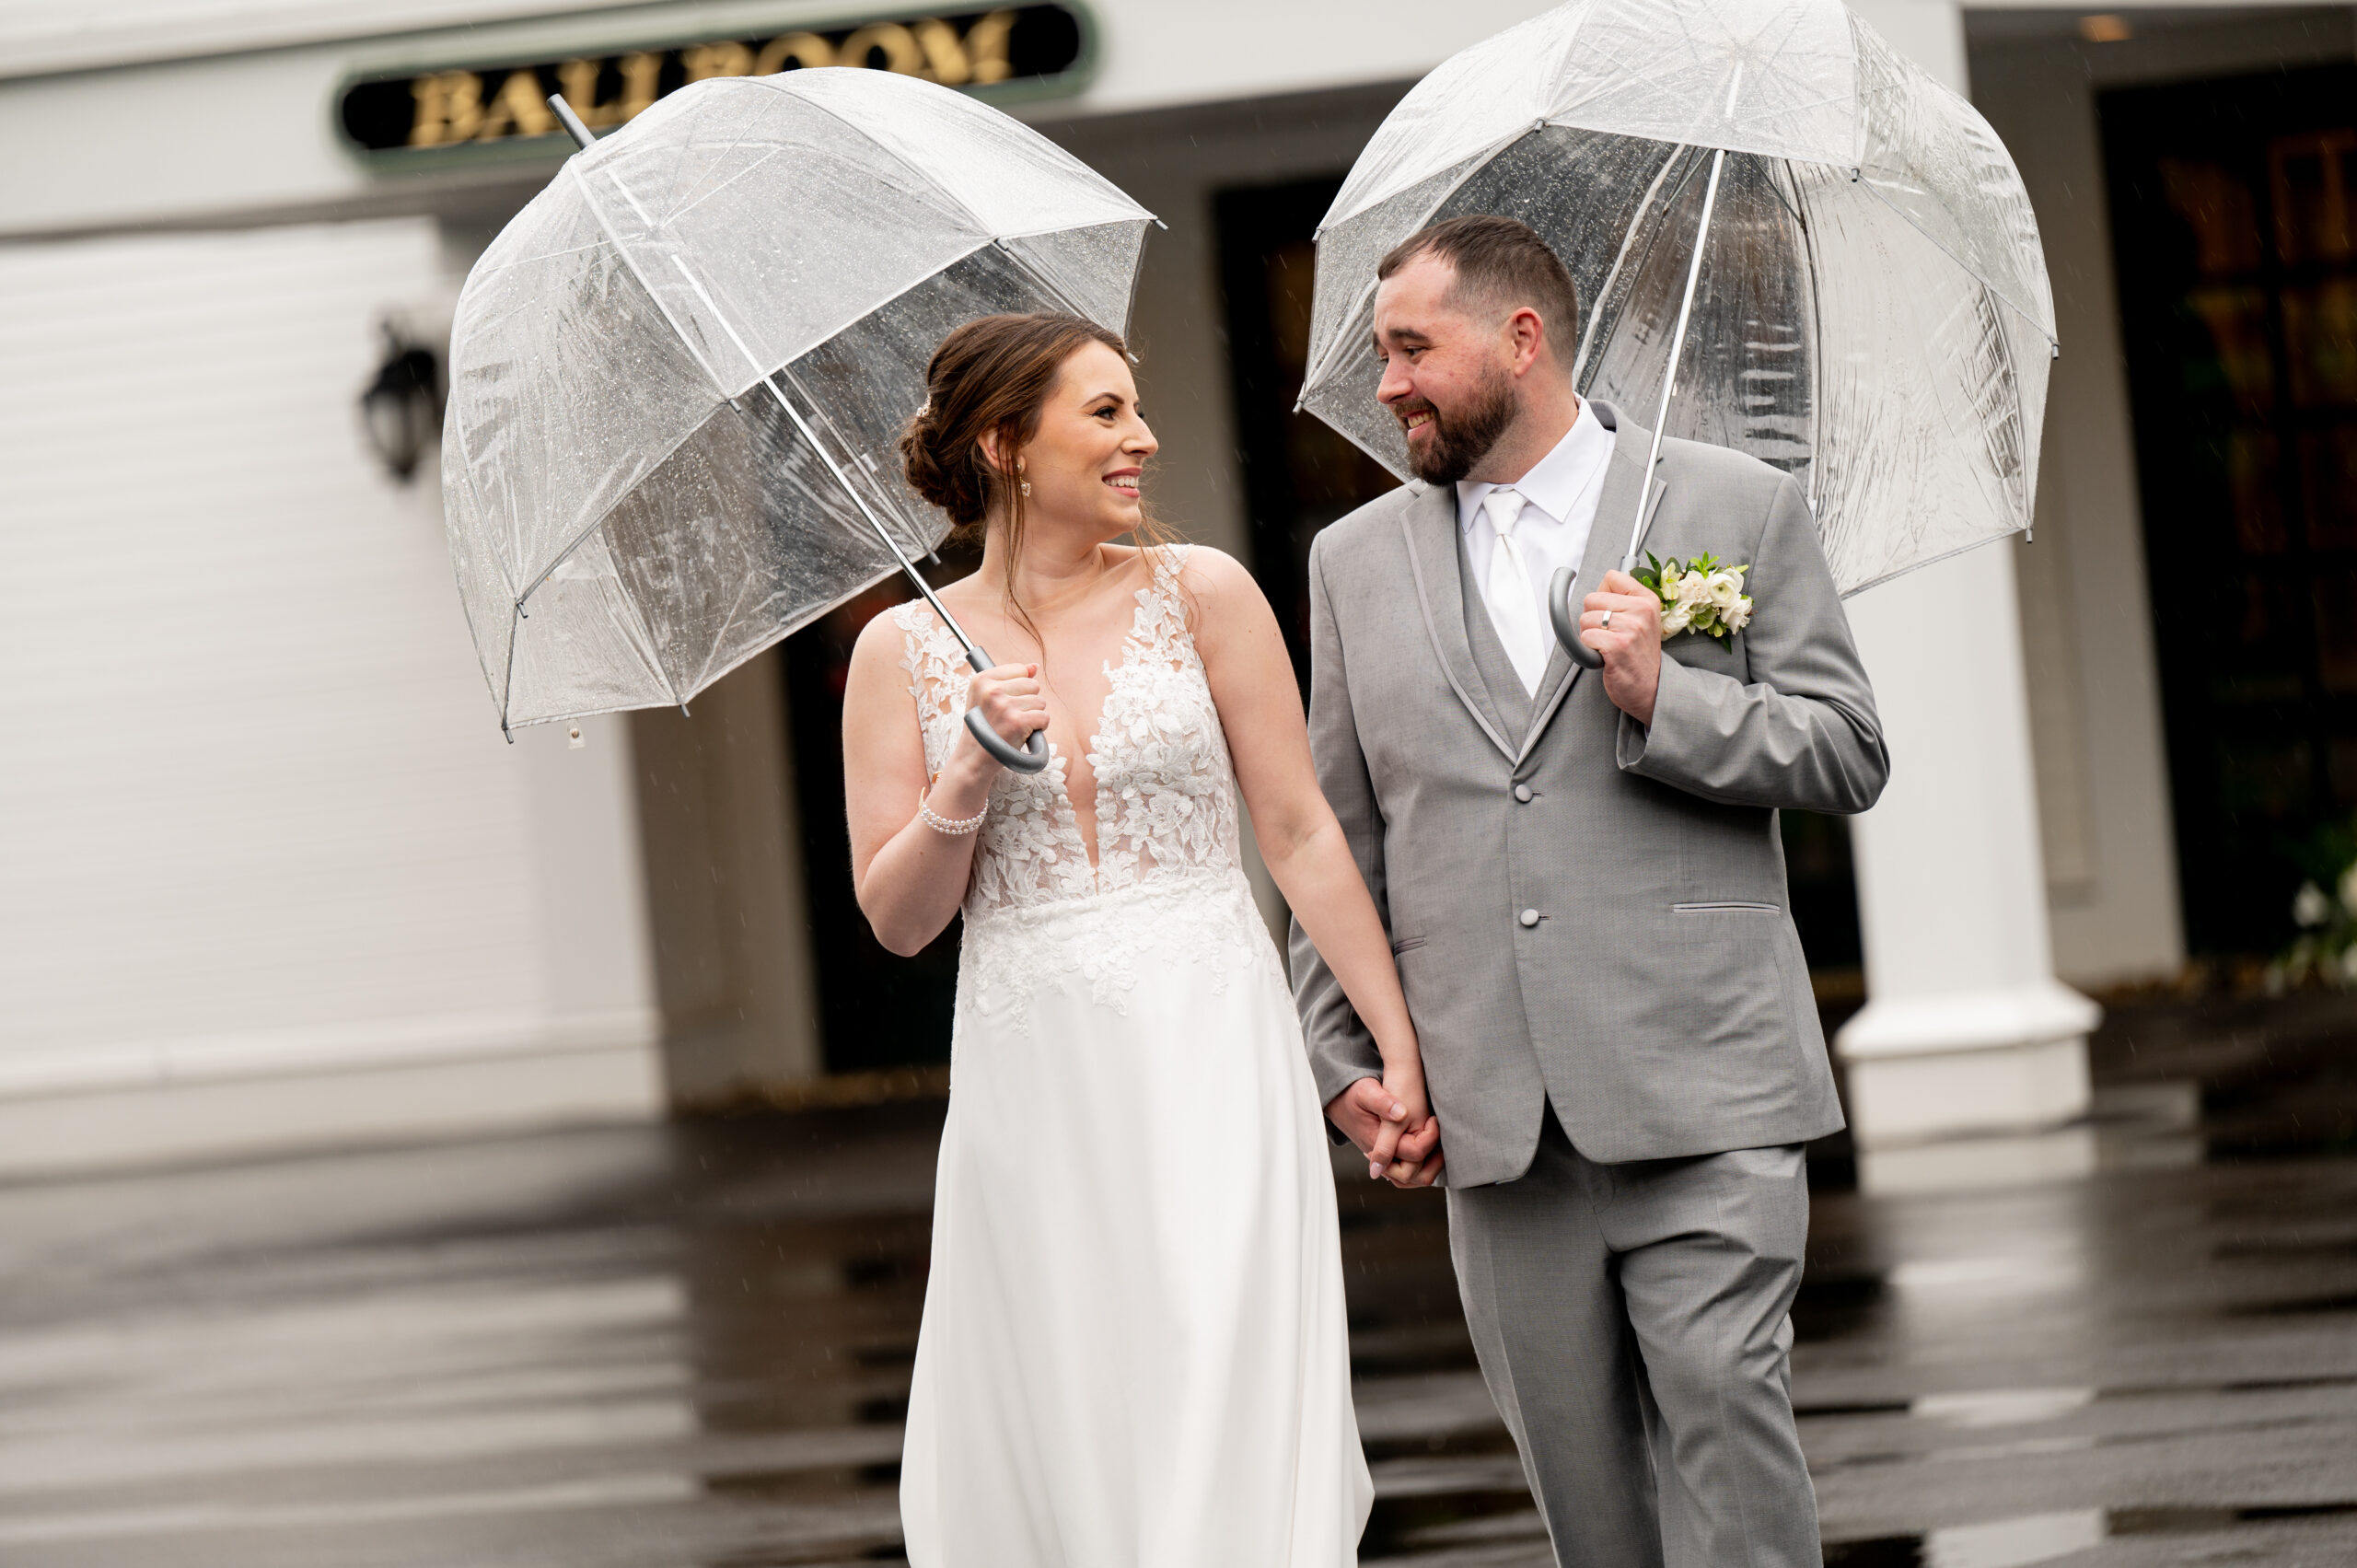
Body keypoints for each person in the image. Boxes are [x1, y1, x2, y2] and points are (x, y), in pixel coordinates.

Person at [1291, 215, 1889, 1567]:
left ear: (1522, 338)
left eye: (1409, 350)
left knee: (1731, 1430)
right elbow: (1335, 835)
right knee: (1589, 1511)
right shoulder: (1352, 563)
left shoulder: (1732, 505)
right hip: (1493, 1122)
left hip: (1705, 1083)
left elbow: (1849, 750)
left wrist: (1665, 694)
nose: (1385, 385)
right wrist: (1339, 1058)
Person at [842, 311, 1433, 1565]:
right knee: (1075, 1390)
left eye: (1136, 406)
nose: (1143, 438)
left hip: (1214, 1037)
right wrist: (967, 774)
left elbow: (1300, 831)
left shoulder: (1203, 591)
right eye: (1104, 413)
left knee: (1223, 1354)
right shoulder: (901, 653)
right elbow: (899, 922)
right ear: (1006, 443)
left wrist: (1394, 1041)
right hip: (1034, 1068)